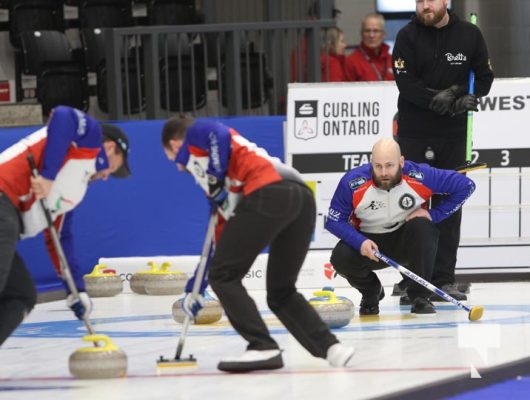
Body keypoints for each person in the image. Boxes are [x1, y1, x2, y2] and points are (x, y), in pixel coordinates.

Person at [160, 115, 355, 372]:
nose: (178, 167)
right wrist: (195, 287)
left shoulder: (199, 136)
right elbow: (217, 242)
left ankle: (262, 346)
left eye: (172, 159)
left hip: (269, 192)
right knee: (280, 291)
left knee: (224, 277)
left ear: (175, 145)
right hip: (301, 200)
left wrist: (216, 177)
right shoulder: (222, 181)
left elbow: (216, 133)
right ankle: (332, 347)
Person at [0, 105, 131, 346]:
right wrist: (48, 177)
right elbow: (62, 115)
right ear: (110, 147)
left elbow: (60, 239)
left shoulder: (74, 190)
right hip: (3, 199)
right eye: (113, 168)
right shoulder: (89, 138)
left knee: (21, 295)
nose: (106, 177)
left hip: (8, 219)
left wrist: (76, 290)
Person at [391, 0, 493, 303]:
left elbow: (484, 81)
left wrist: (460, 94)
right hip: (413, 133)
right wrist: (443, 98)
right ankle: (411, 277)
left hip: (453, 135)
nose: (425, 6)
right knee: (410, 204)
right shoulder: (407, 36)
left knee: (449, 207)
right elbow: (405, 83)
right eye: (420, 1)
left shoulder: (469, 35)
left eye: (431, 0)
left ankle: (444, 278)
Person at [325, 138, 475, 316]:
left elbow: (467, 186)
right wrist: (360, 241)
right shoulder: (352, 182)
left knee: (424, 227)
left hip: (407, 242)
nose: (383, 173)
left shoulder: (420, 175)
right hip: (370, 245)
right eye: (378, 166)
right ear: (371, 163)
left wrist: (433, 215)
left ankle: (420, 297)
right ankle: (371, 292)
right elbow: (334, 221)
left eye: (389, 165)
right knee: (340, 257)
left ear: (401, 162)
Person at [345, 13, 394, 82]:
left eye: (376, 31)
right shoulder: (351, 62)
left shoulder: (393, 61)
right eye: (367, 31)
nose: (371, 35)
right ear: (361, 34)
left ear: (383, 34)